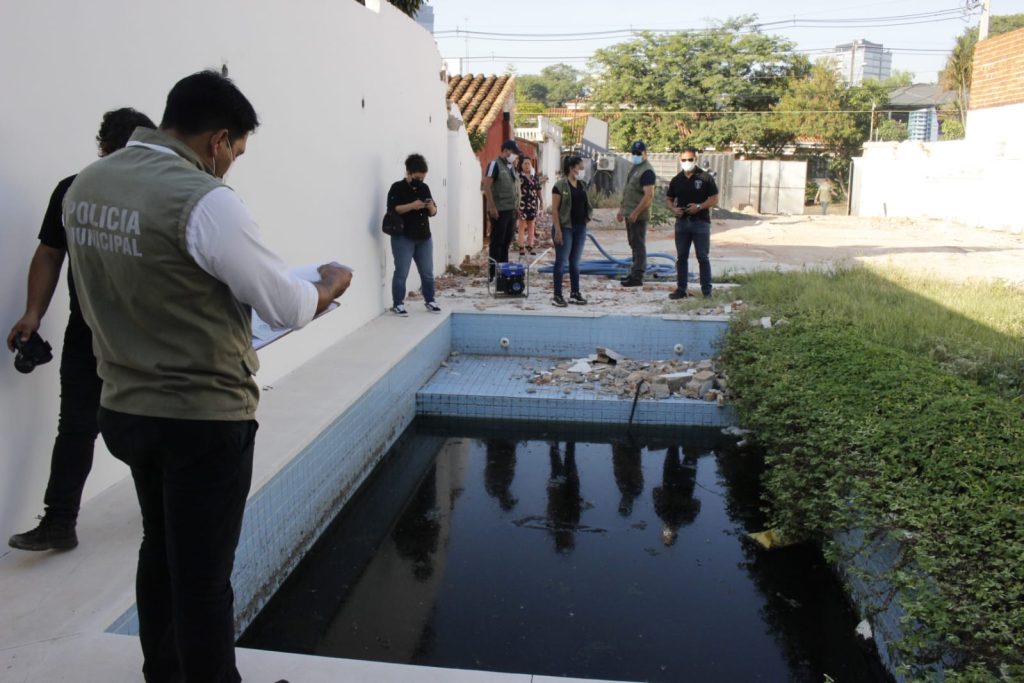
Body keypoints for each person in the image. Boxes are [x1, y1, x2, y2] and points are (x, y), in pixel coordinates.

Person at [63, 70, 352, 683]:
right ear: (218, 140)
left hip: (124, 406)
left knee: (160, 551)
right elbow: (288, 306)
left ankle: (164, 674)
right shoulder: (205, 200)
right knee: (203, 578)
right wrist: (330, 284)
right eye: (236, 152)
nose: (230, 166)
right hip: (200, 416)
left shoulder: (88, 183)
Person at [7, 108, 156, 552]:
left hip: (144, 335)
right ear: (105, 150)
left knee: (146, 425)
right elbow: (50, 253)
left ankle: (160, 512)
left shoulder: (158, 196)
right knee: (77, 425)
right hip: (88, 332)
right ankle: (59, 521)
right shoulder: (73, 192)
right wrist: (33, 313)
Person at [386, 153, 440, 316]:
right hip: (403, 236)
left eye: (422, 178)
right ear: (408, 173)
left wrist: (430, 207)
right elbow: (393, 209)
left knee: (427, 272)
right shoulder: (397, 187)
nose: (420, 181)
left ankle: (430, 300)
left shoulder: (424, 188)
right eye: (417, 178)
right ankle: (398, 303)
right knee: (401, 272)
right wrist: (412, 205)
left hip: (424, 236)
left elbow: (434, 212)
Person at [666, 147, 719, 300]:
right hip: (682, 223)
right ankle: (681, 289)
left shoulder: (705, 178)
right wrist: (673, 209)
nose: (687, 162)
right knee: (681, 257)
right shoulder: (676, 180)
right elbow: (668, 199)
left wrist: (699, 207)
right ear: (680, 160)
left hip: (700, 223)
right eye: (684, 160)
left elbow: (714, 199)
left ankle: (707, 292)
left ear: (695, 159)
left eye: (690, 159)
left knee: (702, 257)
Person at [550, 155, 592, 307]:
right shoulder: (560, 186)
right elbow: (555, 210)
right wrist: (558, 230)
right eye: (580, 167)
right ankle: (557, 295)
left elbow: (586, 204)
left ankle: (575, 293)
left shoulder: (582, 185)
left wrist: (587, 217)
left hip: (580, 228)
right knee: (561, 261)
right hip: (565, 228)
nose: (582, 170)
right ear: (571, 168)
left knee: (575, 262)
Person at [616, 141, 656, 287]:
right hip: (630, 213)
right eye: (633, 153)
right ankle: (634, 273)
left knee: (638, 245)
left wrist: (636, 212)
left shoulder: (647, 171)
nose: (635, 155)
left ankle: (638, 276)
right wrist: (622, 210)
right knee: (633, 243)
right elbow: (629, 191)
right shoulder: (635, 168)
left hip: (638, 215)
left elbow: (648, 195)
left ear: (645, 153)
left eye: (638, 153)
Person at [482, 140, 523, 279]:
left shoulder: (510, 167)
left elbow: (514, 188)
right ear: (507, 150)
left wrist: (517, 207)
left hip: (511, 211)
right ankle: (493, 274)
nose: (516, 156)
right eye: (514, 153)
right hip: (499, 211)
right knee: (497, 243)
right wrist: (492, 206)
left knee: (506, 243)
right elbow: (486, 185)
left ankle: (503, 272)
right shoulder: (494, 164)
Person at [515, 156, 542, 256]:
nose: (527, 165)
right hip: (522, 204)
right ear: (521, 165)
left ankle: (530, 245)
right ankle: (521, 246)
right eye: (525, 163)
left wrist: (541, 200)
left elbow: (538, 189)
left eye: (529, 163)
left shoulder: (534, 176)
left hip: (533, 204)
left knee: (532, 225)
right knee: (522, 225)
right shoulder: (518, 177)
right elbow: (515, 191)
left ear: (531, 165)